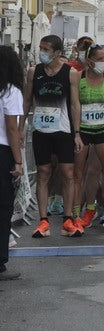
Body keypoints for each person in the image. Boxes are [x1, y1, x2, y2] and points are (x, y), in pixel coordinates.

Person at [22, 36, 84, 238]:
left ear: (57, 52)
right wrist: (21, 127)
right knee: (43, 172)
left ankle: (68, 219)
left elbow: (75, 104)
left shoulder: (71, 73)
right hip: (41, 130)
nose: (42, 52)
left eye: (46, 49)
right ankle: (43, 221)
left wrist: (77, 133)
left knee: (67, 173)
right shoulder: (34, 71)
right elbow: (27, 101)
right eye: (41, 48)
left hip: (63, 130)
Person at [73, 45, 104, 233]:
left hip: (102, 129)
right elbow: (74, 105)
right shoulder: (78, 78)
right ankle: (78, 215)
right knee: (78, 174)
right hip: (83, 130)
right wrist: (76, 132)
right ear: (89, 60)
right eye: (100, 59)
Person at [0, 46, 25, 280]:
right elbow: (12, 129)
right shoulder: (11, 91)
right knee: (3, 207)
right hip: (2, 151)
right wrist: (18, 161)